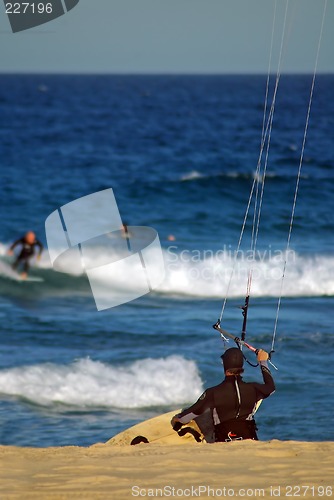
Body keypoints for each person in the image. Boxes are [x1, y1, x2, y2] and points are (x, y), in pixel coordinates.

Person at [171, 347, 275, 442]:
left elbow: (189, 415)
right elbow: (271, 388)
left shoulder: (213, 393)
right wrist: (263, 361)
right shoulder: (254, 388)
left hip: (224, 440)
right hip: (250, 439)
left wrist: (178, 419)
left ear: (224, 364)